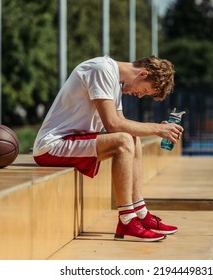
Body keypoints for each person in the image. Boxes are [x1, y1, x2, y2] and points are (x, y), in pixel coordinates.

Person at [33, 55, 183, 242]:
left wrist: (154, 129)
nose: (140, 95)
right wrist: (157, 128)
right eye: (144, 90)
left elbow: (122, 124)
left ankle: (140, 213)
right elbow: (113, 125)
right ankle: (127, 219)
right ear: (142, 73)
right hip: (53, 145)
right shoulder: (101, 70)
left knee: (133, 140)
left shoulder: (113, 78)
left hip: (72, 140)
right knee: (123, 141)